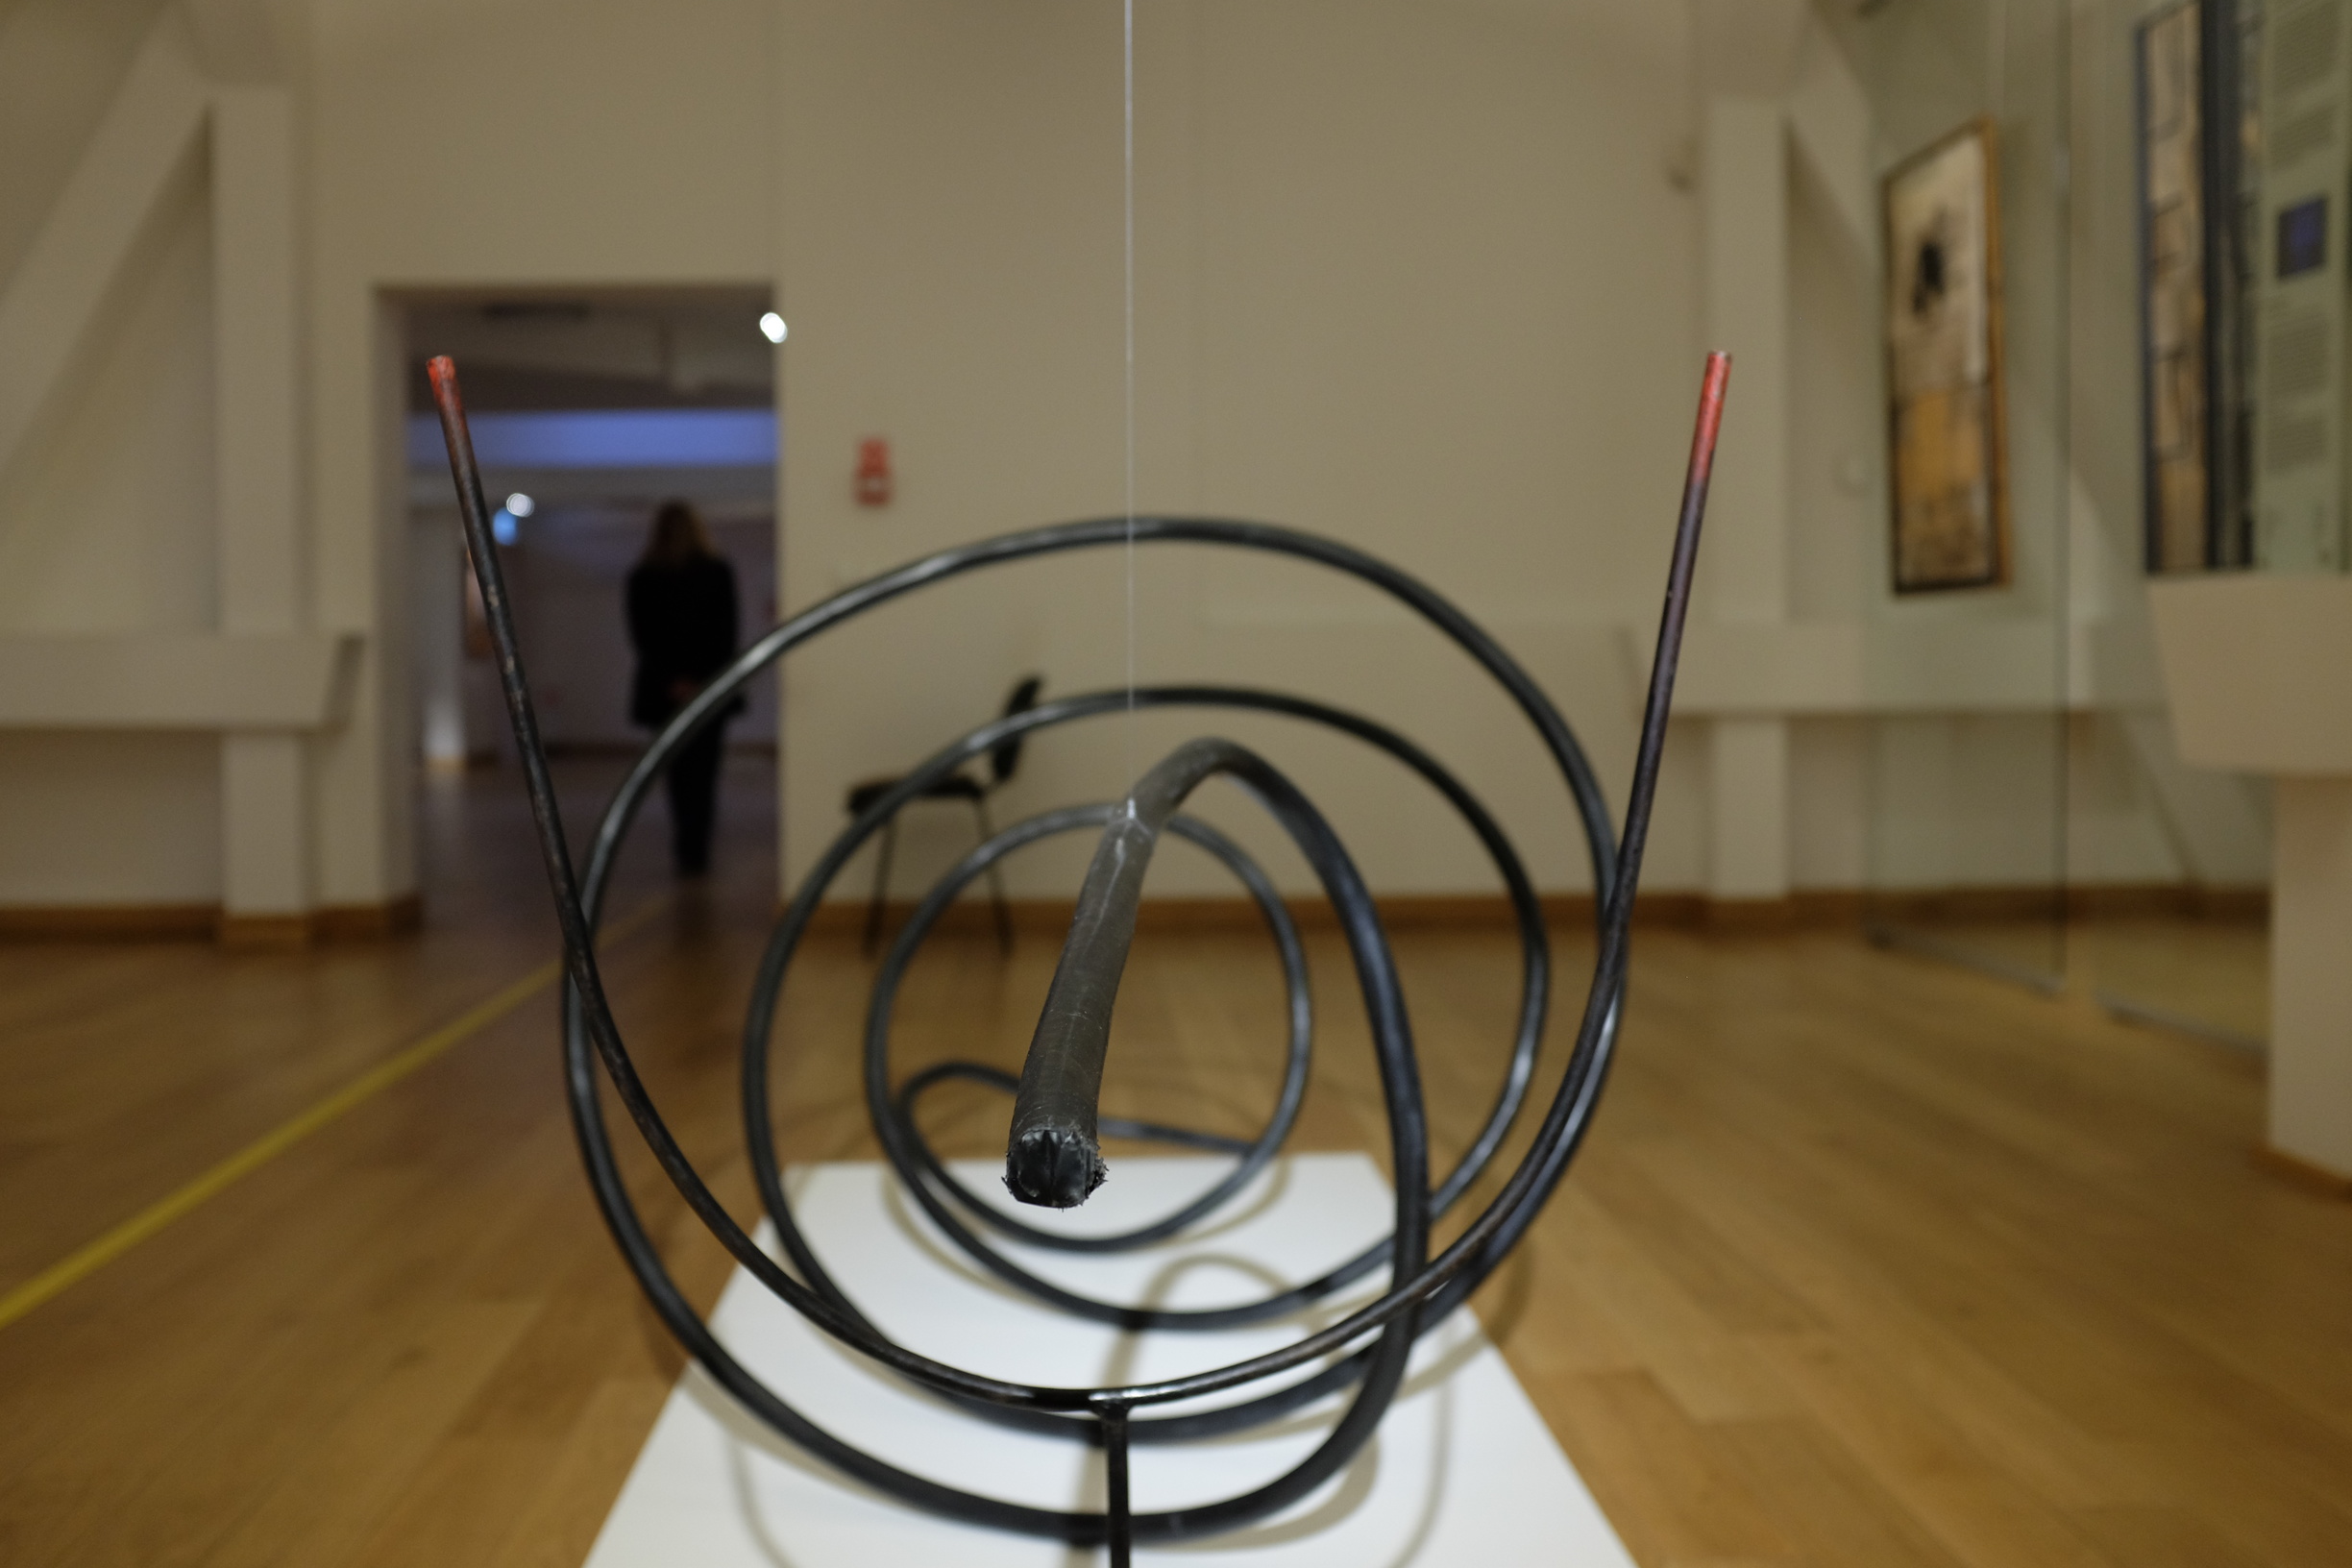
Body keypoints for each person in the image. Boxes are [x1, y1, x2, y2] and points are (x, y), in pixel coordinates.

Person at [626, 501, 743, 875]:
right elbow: (725, 634)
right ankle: (696, 849)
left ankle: (687, 846)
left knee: (677, 773)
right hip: (707, 689)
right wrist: (698, 680)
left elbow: (644, 638)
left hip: (665, 692)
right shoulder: (716, 572)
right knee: (704, 772)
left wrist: (673, 680)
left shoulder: (644, 575)